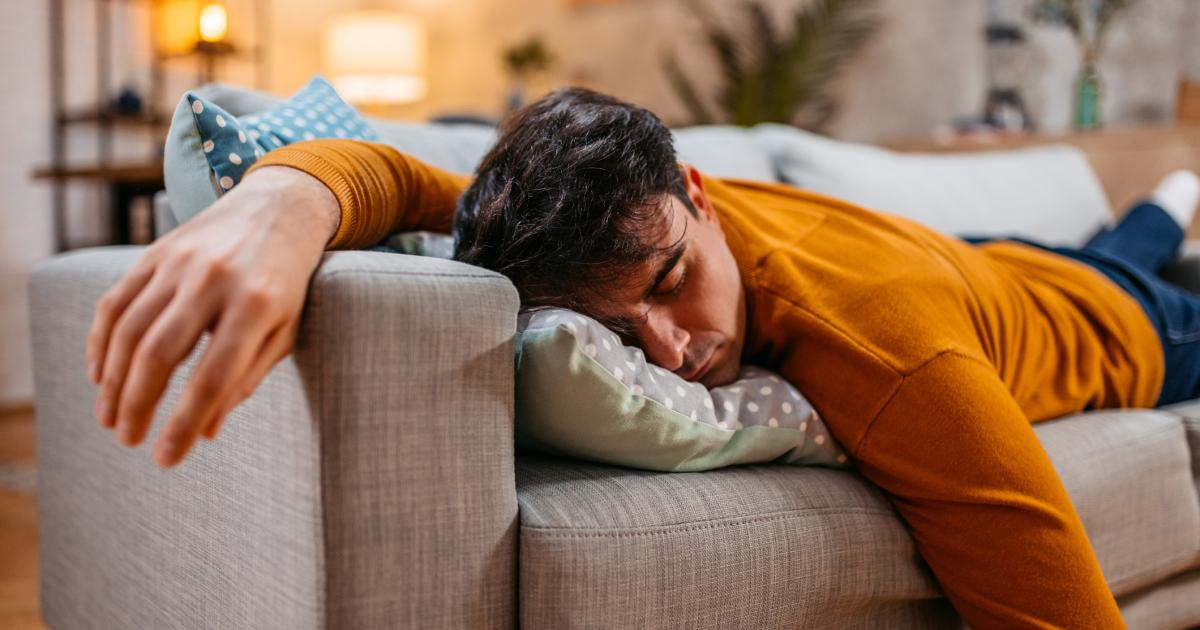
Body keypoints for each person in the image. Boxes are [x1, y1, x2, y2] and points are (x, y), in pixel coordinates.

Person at [85, 87, 1200, 628]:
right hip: (987, 263)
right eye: (617, 334)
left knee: (1141, 268)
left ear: (698, 197)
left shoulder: (889, 356)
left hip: (1124, 325)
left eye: (669, 284)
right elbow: (406, 178)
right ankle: (1165, 207)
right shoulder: (600, 219)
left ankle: (1167, 212)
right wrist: (281, 199)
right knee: (1130, 233)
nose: (674, 353)